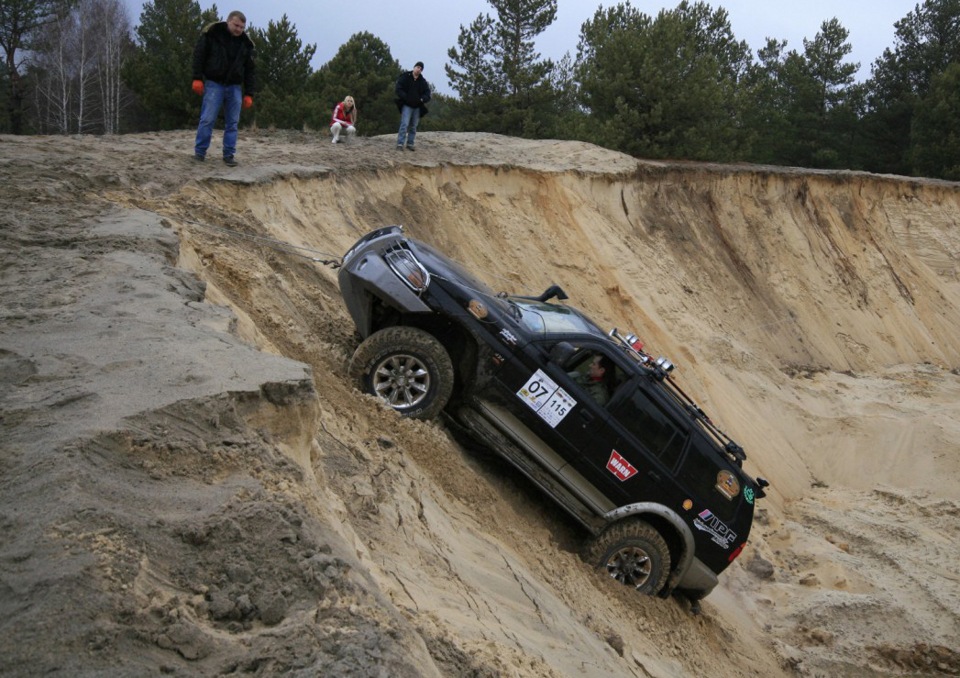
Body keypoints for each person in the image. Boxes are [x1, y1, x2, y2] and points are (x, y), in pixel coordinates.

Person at [191, 10, 256, 167]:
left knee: (232, 123)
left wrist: (249, 93)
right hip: (214, 84)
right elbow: (199, 55)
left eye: (242, 27)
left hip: (234, 87)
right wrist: (197, 78)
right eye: (236, 25)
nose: (239, 29)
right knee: (207, 119)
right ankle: (200, 153)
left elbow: (250, 70)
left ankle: (228, 155)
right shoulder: (212, 34)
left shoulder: (246, 44)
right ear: (228, 22)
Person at [395, 61, 431, 151]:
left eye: (421, 68)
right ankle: (400, 143)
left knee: (413, 126)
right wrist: (405, 97)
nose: (419, 69)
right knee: (404, 124)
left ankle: (410, 143)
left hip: (417, 107)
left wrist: (422, 99)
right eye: (418, 67)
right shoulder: (406, 77)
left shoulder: (422, 81)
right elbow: (398, 88)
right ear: (414, 67)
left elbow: (427, 93)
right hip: (407, 105)